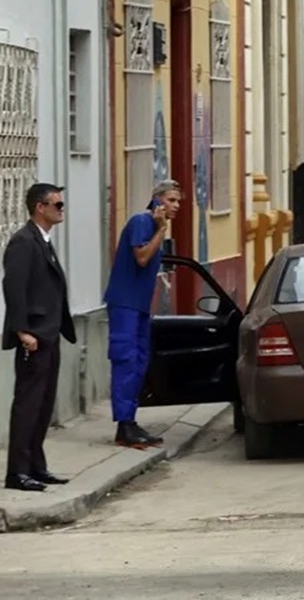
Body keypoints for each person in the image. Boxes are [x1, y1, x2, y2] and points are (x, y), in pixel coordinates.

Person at [4, 184, 74, 492]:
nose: (61, 209)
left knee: (44, 403)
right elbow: (14, 289)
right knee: (28, 403)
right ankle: (17, 472)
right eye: (57, 204)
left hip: (49, 332)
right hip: (33, 334)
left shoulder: (42, 240)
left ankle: (36, 464)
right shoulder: (23, 242)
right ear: (39, 207)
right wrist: (22, 331)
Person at [104, 179, 184, 448]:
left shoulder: (154, 226)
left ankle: (130, 419)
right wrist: (161, 230)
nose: (176, 206)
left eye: (178, 201)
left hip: (139, 305)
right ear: (158, 200)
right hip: (124, 303)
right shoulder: (142, 222)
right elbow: (141, 257)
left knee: (140, 360)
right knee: (125, 360)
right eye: (171, 200)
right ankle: (123, 423)